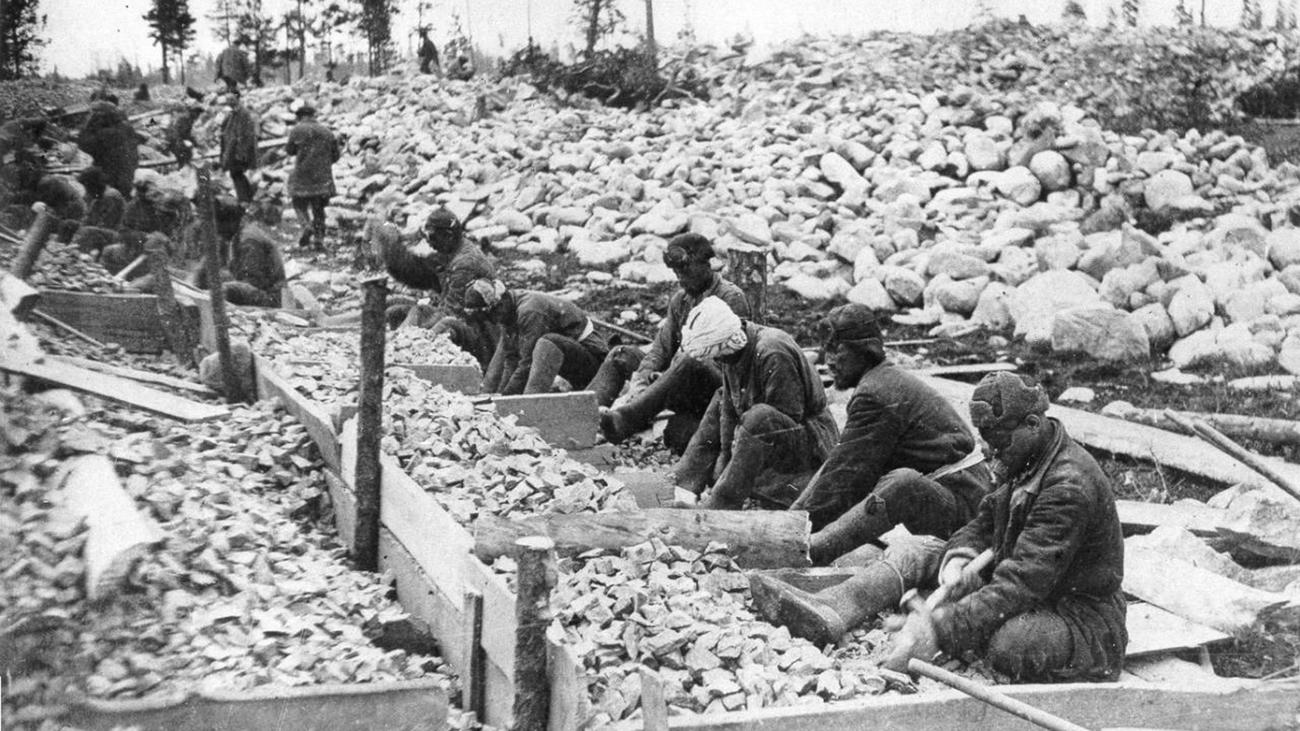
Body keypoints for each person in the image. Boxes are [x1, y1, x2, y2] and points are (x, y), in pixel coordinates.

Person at [749, 372, 1127, 683]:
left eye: (997, 443)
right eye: (987, 441)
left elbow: (1023, 582)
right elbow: (983, 523)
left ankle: (947, 629)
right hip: (1019, 580)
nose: (989, 452)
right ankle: (834, 607)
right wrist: (958, 558)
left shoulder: (1067, 486)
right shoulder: (1025, 455)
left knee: (1011, 645)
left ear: (1032, 424)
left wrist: (939, 629)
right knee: (918, 551)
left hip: (1076, 613)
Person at [790, 304, 991, 565]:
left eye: (838, 350)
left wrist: (795, 534)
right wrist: (792, 517)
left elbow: (845, 478)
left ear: (865, 351)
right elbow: (838, 462)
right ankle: (802, 537)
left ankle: (811, 552)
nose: (828, 361)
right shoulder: (882, 380)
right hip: (961, 493)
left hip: (968, 509)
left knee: (903, 484)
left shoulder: (875, 393)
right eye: (826, 350)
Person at [674, 296, 839, 510]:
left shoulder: (772, 350)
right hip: (768, 432)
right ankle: (684, 487)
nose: (717, 361)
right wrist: (725, 462)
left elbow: (784, 417)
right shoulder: (734, 351)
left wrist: (731, 475)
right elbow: (729, 410)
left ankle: (723, 504)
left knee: (759, 417)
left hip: (809, 441)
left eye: (717, 354)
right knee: (721, 399)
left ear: (728, 341)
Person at [593, 233, 750, 451]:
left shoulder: (731, 297)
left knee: (690, 361)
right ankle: (587, 415)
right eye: (677, 273)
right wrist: (642, 380)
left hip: (715, 385)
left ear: (706, 264)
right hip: (678, 376)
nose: (681, 279)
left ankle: (626, 420)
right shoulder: (681, 300)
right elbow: (660, 350)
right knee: (621, 354)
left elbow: (732, 364)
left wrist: (670, 377)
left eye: (685, 272)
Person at [381, 208, 498, 367]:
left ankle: (401, 353)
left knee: (420, 313)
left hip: (479, 331)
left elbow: (452, 312)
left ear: (448, 236)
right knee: (395, 308)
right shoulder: (454, 251)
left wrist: (420, 323)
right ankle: (394, 346)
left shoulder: (465, 263)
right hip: (461, 316)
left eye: (433, 237)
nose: (429, 243)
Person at [465, 279, 610, 396]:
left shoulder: (529, 312)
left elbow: (527, 363)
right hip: (572, 364)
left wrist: (507, 399)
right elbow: (512, 359)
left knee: (547, 343)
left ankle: (532, 405)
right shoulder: (509, 309)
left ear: (498, 304)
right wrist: (501, 394)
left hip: (595, 368)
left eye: (491, 315)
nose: (494, 321)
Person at [193, 196, 286, 307]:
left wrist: (221, 287)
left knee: (228, 289)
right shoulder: (229, 236)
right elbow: (206, 267)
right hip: (253, 290)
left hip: (270, 298)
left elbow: (253, 282)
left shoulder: (249, 241)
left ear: (230, 222)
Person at [285, 102, 340, 250]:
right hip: (323, 177)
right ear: (313, 116)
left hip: (302, 175)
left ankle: (306, 226)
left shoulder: (297, 130)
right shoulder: (327, 131)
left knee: (298, 203)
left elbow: (289, 150)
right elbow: (336, 156)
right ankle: (319, 239)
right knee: (319, 209)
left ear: (300, 117)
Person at [77, 101, 139, 201]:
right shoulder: (126, 127)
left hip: (111, 178)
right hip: (128, 175)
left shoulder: (105, 133)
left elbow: (83, 143)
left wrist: (88, 124)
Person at [219, 91, 258, 204]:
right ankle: (248, 197)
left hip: (238, 150)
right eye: (227, 99)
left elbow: (246, 134)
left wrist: (241, 152)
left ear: (237, 98)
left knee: (236, 173)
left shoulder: (243, 113)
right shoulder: (232, 113)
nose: (229, 102)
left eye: (231, 99)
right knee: (236, 174)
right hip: (233, 149)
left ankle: (244, 200)